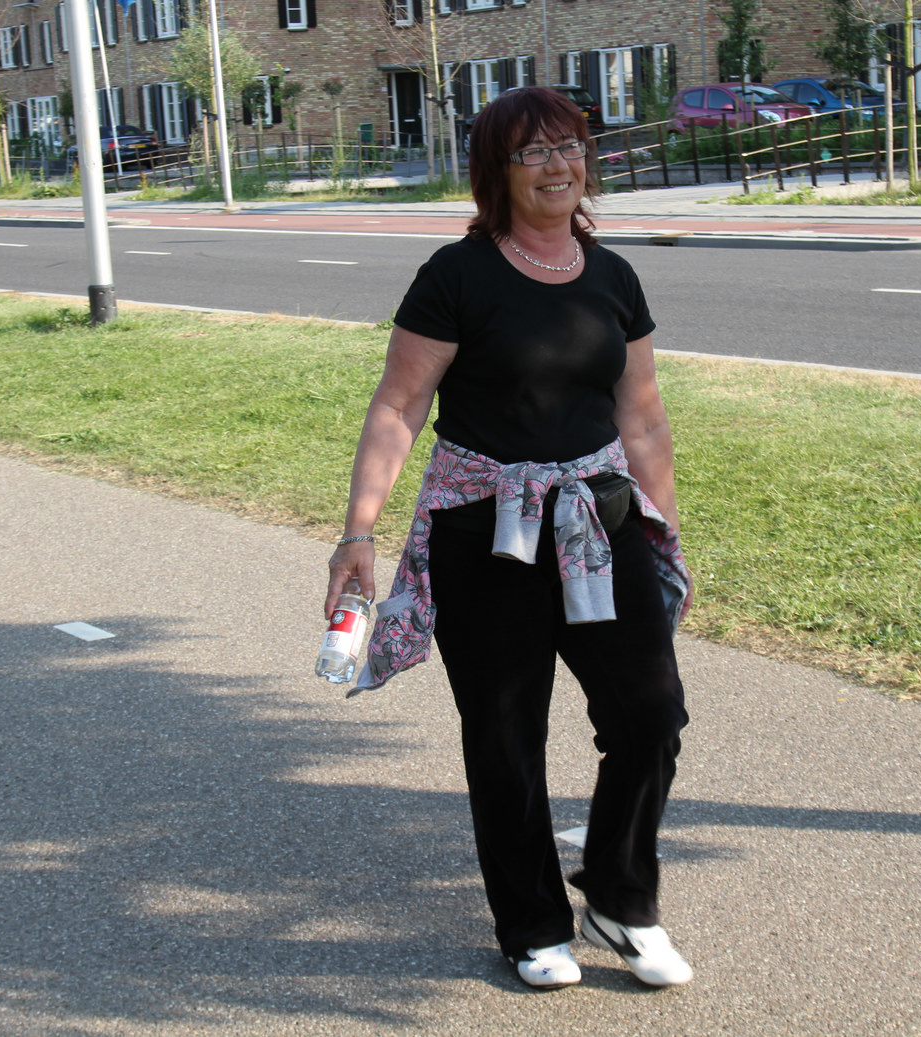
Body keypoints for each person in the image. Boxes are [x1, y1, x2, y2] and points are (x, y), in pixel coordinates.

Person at [323, 86, 694, 990]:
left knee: (649, 715)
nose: (557, 166)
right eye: (532, 152)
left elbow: (642, 416)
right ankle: (532, 924)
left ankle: (620, 897)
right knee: (503, 731)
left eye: (569, 146)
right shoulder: (457, 273)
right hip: (484, 529)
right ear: (496, 170)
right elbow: (399, 404)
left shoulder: (611, 275)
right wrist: (358, 531)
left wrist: (664, 530)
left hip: (599, 521)